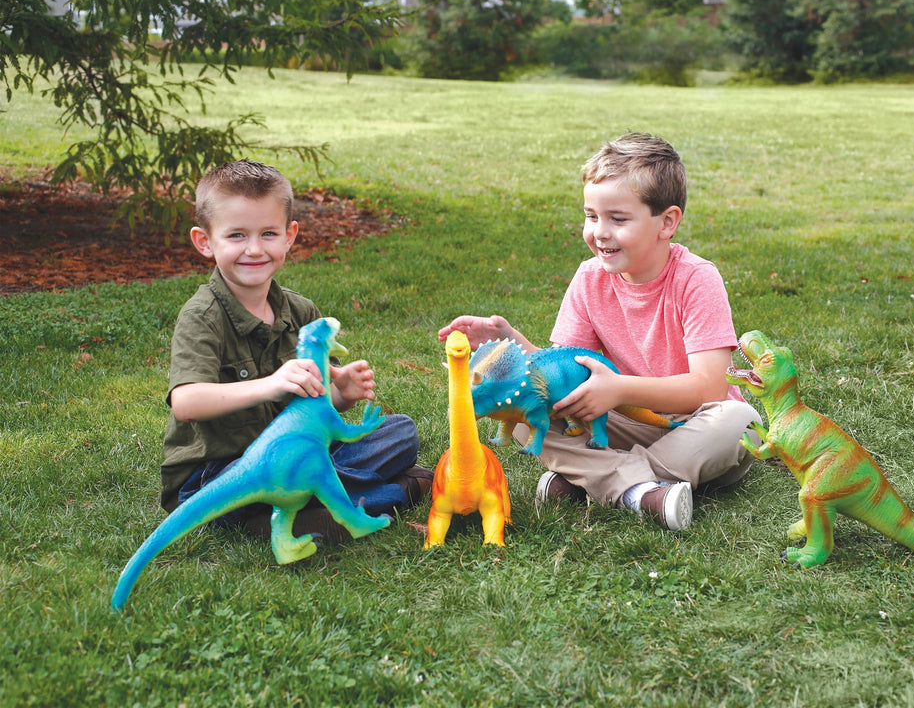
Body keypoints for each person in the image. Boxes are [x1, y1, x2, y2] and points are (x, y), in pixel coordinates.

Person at [438, 132, 761, 531]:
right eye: (591, 216)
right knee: (524, 415)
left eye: (617, 219)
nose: (600, 232)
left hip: (694, 425)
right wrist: (512, 342)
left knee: (740, 421)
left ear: (667, 222)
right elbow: (562, 379)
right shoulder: (589, 278)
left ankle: (599, 481)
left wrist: (620, 390)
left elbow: (709, 387)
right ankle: (638, 492)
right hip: (617, 421)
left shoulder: (696, 279)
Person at [160, 159, 431, 541]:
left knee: (400, 432)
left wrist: (342, 392)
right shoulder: (202, 317)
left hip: (296, 454)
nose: (254, 249)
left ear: (289, 236)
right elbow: (187, 402)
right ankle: (391, 494)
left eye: (268, 233)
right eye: (236, 235)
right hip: (220, 471)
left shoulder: (301, 312)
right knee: (263, 478)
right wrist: (272, 383)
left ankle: (298, 510)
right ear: (205, 241)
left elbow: (320, 406)